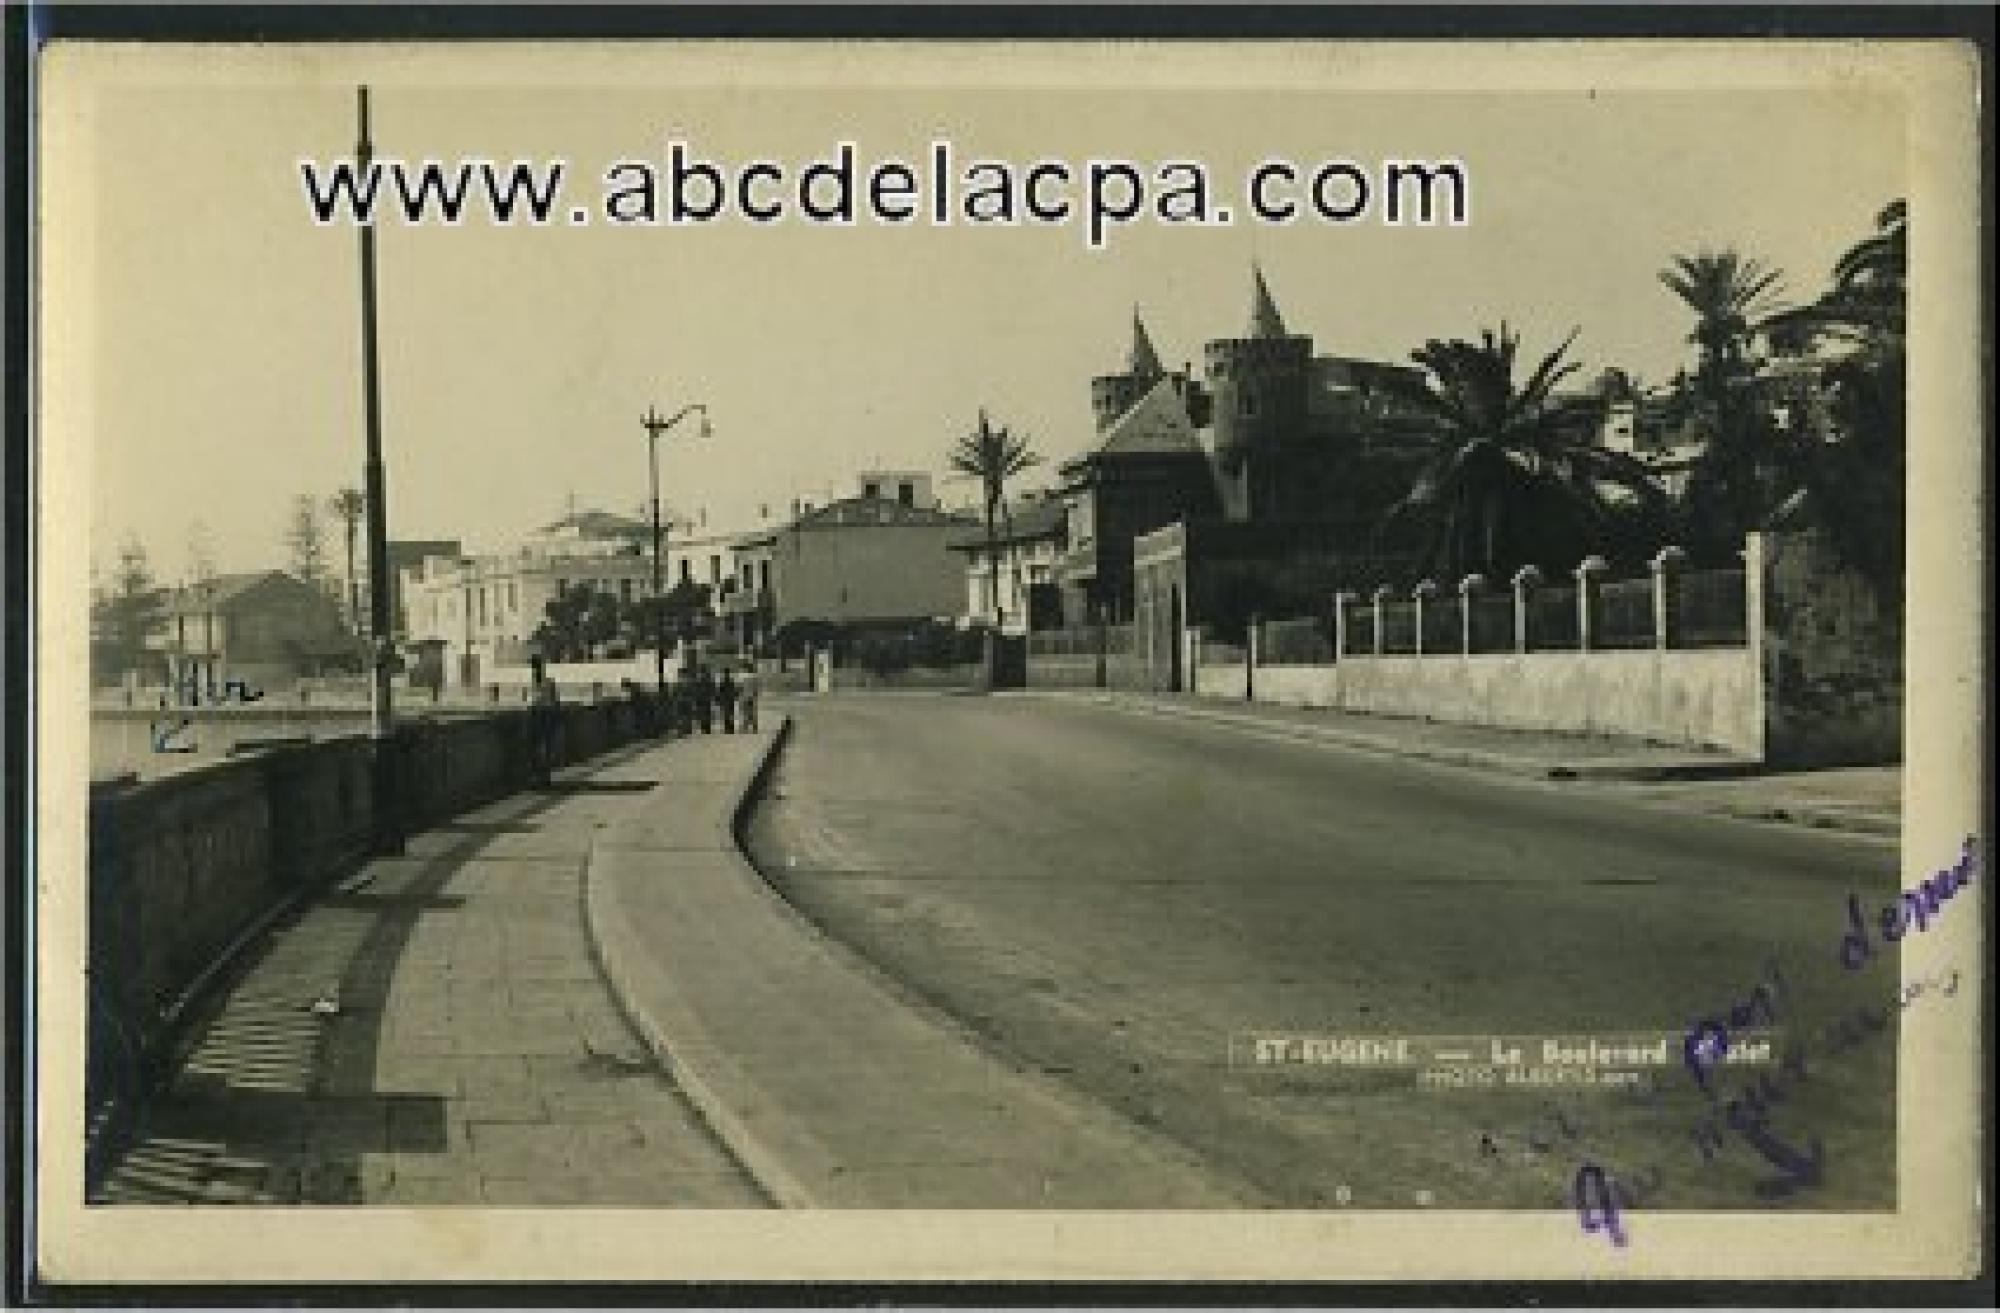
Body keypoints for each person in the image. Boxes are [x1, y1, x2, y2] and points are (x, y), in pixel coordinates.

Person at [528, 654, 561, 786]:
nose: (535, 670)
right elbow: (555, 701)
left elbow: (552, 700)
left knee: (541, 746)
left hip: (542, 714)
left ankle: (542, 776)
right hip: (544, 714)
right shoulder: (545, 682)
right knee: (544, 746)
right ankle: (543, 776)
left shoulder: (542, 683)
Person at [692, 663, 716, 734]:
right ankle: (707, 727)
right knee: (706, 713)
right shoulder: (708, 679)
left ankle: (704, 727)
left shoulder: (699, 680)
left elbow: (696, 690)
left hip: (702, 699)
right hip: (706, 699)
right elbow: (712, 689)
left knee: (703, 713)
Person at [738, 659, 760, 733]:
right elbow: (756, 688)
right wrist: (755, 695)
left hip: (744, 696)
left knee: (745, 712)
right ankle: (754, 726)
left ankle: (745, 726)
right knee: (752, 711)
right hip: (751, 696)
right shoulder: (754, 677)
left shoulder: (742, 676)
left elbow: (740, 688)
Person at [716, 667, 739, 734]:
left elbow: (720, 693)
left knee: (726, 715)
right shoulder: (731, 682)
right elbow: (734, 691)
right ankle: (731, 728)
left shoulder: (722, 683)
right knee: (730, 714)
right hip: (730, 700)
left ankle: (727, 728)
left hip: (726, 701)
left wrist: (718, 700)